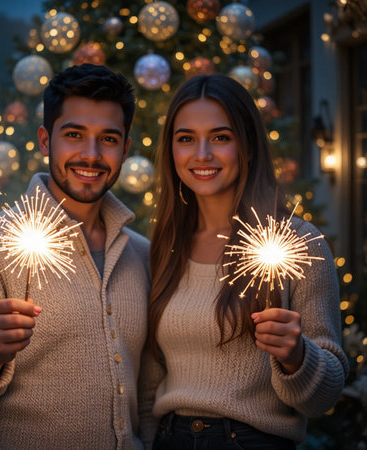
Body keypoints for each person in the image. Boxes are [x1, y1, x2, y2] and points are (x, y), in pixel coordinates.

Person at [0, 64, 150, 450]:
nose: (91, 154)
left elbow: (147, 389)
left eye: (108, 139)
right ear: (46, 141)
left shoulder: (141, 253)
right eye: (74, 134)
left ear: (126, 148)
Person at [138, 74, 348, 449]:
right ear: (171, 150)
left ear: (247, 146)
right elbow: (151, 382)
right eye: (186, 139)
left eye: (220, 137)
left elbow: (326, 396)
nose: (202, 154)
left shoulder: (297, 242)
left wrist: (297, 356)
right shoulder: (166, 247)